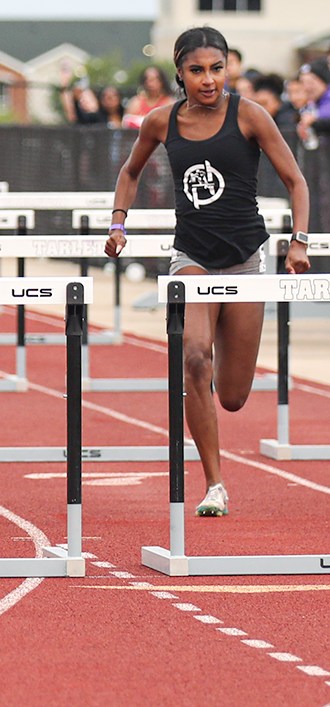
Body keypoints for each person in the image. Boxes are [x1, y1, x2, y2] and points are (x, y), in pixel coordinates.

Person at [107, 26, 310, 517]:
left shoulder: (251, 116)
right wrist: (118, 222)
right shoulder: (161, 121)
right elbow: (130, 171)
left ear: (228, 68)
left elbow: (296, 180)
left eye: (216, 68)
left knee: (235, 396)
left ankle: (214, 385)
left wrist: (299, 240)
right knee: (194, 358)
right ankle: (214, 483)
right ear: (179, 72)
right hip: (191, 258)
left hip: (244, 259)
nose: (208, 79)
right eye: (196, 70)